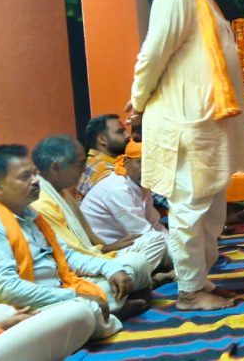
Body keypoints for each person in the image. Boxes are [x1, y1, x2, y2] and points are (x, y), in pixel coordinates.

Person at [125, 0, 244, 310]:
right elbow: (154, 53)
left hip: (207, 123)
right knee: (190, 208)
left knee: (212, 211)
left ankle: (201, 281)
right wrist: (138, 99)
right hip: (186, 122)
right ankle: (189, 292)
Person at [0, 145, 129, 340]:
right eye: (25, 177)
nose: (35, 181)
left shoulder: (30, 215)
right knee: (80, 311)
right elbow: (10, 290)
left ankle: (103, 316)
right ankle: (107, 316)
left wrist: (111, 268)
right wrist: (75, 296)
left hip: (60, 290)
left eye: (34, 174)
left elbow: (67, 256)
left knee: (128, 271)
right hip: (18, 309)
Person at [31, 135, 168, 293]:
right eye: (79, 164)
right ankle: (130, 288)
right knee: (136, 264)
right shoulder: (42, 203)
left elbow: (84, 248)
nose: (84, 170)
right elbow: (68, 258)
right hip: (71, 274)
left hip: (94, 256)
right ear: (56, 168)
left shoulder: (62, 193)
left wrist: (107, 249)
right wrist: (109, 263)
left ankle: (131, 287)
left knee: (150, 245)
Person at [80, 141, 170, 245]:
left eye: (153, 165)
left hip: (126, 242)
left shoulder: (142, 187)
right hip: (101, 249)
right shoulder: (118, 188)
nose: (147, 169)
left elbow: (156, 225)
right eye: (140, 162)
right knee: (156, 243)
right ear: (127, 162)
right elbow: (143, 233)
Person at [77, 114, 129, 197]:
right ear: (102, 139)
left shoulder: (95, 163)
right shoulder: (104, 171)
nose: (127, 135)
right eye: (120, 132)